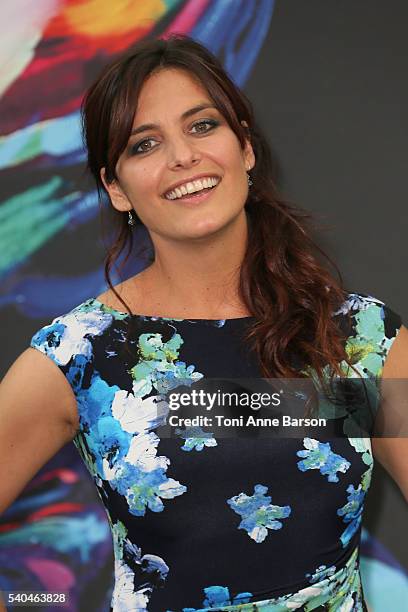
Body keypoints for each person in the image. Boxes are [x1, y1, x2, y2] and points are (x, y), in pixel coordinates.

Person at [1, 34, 407, 612]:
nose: (182, 158)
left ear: (244, 146)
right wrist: (39, 601)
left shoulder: (362, 340)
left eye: (201, 126)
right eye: (144, 144)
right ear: (116, 188)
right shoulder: (82, 356)